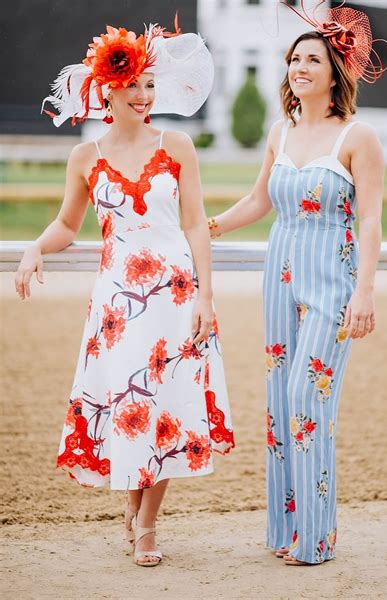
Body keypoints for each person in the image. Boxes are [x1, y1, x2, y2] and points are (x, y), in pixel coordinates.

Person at [14, 17, 234, 567]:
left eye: (150, 84)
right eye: (133, 83)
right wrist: (35, 246)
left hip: (176, 297)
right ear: (108, 87)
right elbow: (68, 225)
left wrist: (205, 297)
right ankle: (135, 514)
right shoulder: (85, 158)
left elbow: (194, 225)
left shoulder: (178, 145)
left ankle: (146, 525)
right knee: (130, 405)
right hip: (118, 305)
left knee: (163, 408)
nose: (144, 95)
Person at [207, 0, 387, 566]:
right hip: (279, 283)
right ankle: (287, 530)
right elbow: (260, 199)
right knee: (278, 404)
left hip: (333, 285)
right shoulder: (280, 131)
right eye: (294, 60)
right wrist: (207, 226)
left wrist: (365, 291)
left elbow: (373, 220)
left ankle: (316, 538)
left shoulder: (359, 138)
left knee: (306, 400)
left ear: (336, 71)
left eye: (312, 59)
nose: (298, 68)